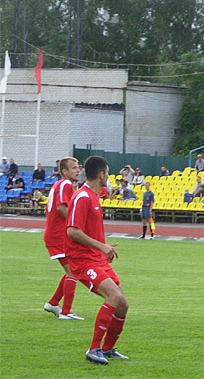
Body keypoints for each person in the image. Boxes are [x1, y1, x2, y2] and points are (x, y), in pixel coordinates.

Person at [65, 156, 129, 364]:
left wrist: (104, 248)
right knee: (113, 296)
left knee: (122, 304)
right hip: (83, 261)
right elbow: (73, 231)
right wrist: (101, 246)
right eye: (108, 172)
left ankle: (108, 349)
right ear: (101, 174)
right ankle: (94, 349)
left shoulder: (93, 196)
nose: (109, 176)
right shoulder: (82, 197)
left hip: (97, 259)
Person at [43, 157, 84, 321]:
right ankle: (66, 311)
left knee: (72, 269)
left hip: (57, 234)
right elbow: (61, 207)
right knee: (73, 271)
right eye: (74, 168)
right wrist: (76, 224)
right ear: (65, 171)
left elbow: (50, 209)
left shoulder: (61, 185)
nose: (78, 170)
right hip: (58, 236)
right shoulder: (65, 184)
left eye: (78, 167)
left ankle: (53, 303)